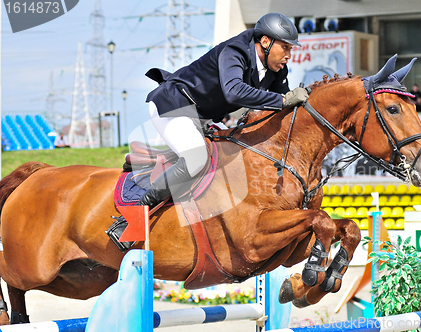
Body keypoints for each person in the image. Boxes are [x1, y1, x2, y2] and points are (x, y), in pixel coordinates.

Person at [106, 13, 309, 252]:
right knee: (196, 158)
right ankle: (133, 217)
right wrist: (284, 99)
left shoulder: (277, 69)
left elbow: (278, 110)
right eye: (284, 47)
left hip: (203, 116)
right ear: (265, 42)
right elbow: (235, 92)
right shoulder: (235, 51)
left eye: (290, 49)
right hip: (174, 105)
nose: (288, 55)